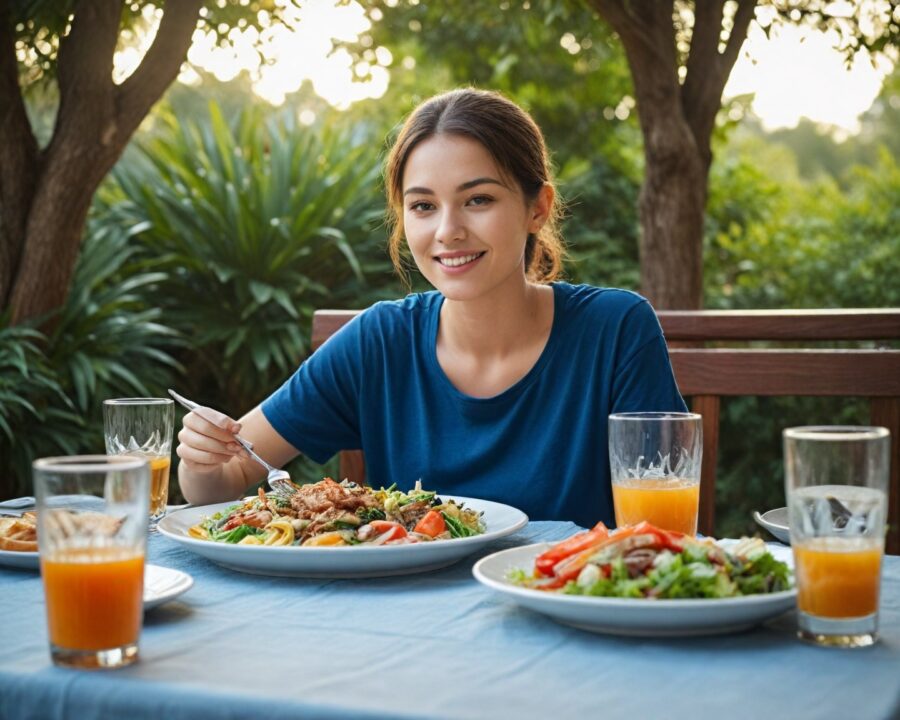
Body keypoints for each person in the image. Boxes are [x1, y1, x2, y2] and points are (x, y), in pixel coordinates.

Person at [176, 88, 687, 528]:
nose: (447, 231)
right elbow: (234, 474)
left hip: (566, 613)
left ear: (538, 208)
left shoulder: (615, 329)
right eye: (423, 206)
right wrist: (203, 463)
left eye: (478, 199)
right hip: (409, 627)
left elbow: (660, 519)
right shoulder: (380, 341)